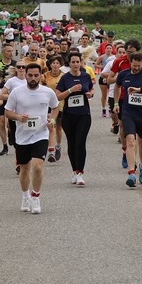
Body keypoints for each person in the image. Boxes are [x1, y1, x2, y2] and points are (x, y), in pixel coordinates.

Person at [4, 63, 59, 214]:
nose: (33, 78)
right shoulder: (17, 92)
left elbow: (55, 107)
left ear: (41, 75)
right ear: (26, 76)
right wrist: (18, 117)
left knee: (37, 166)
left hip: (41, 134)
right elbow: (7, 111)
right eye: (30, 75)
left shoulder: (47, 92)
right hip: (22, 137)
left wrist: (52, 120)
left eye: (36, 75)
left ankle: (35, 196)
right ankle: (25, 196)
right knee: (24, 169)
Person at [113, 51, 142, 187]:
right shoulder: (124, 74)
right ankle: (131, 174)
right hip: (128, 113)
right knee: (130, 141)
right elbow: (116, 86)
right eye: (134, 66)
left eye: (139, 66)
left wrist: (139, 89)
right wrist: (116, 103)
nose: (136, 68)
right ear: (130, 63)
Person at [56, 51, 94, 185]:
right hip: (68, 116)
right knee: (72, 144)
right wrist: (70, 90)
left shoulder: (85, 76)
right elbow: (57, 96)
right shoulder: (65, 78)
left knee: (80, 142)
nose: (76, 64)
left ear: (81, 62)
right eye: (73, 62)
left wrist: (90, 94)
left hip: (84, 115)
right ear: (69, 63)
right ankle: (74, 171)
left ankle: (80, 173)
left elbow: (91, 89)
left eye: (78, 62)